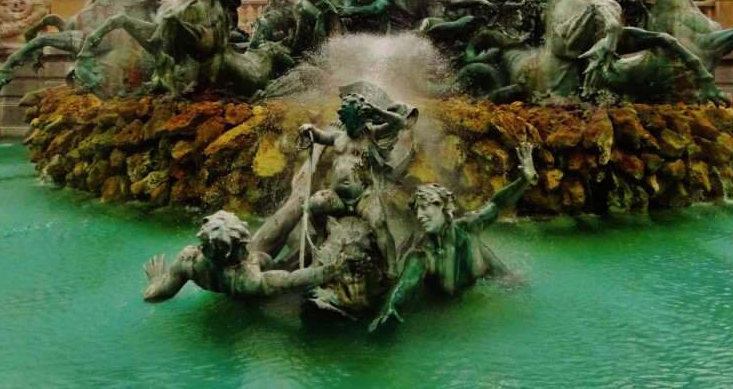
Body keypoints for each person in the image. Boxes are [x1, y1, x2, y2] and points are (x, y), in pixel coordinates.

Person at [369, 142, 538, 331]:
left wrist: (525, 179)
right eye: (417, 211)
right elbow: (405, 284)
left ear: (443, 206)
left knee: (503, 271)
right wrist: (391, 306)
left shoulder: (468, 226)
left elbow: (497, 204)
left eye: (425, 208)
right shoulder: (423, 256)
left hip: (484, 278)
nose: (419, 216)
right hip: (449, 310)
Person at [299, 92, 413, 279]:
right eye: (351, 121)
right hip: (338, 198)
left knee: (379, 222)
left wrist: (379, 112)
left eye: (358, 120)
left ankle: (392, 266)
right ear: (344, 118)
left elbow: (399, 124)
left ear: (363, 118)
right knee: (315, 204)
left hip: (363, 197)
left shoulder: (371, 134)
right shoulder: (337, 137)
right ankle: (321, 234)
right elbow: (319, 136)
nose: (355, 126)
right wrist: (308, 129)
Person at [142, 210, 338, 301]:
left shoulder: (188, 261)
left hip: (253, 261)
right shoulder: (248, 277)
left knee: (290, 215)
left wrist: (157, 280)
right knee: (302, 233)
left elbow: (155, 295)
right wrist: (333, 270)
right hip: (271, 266)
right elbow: (290, 280)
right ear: (234, 248)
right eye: (242, 243)